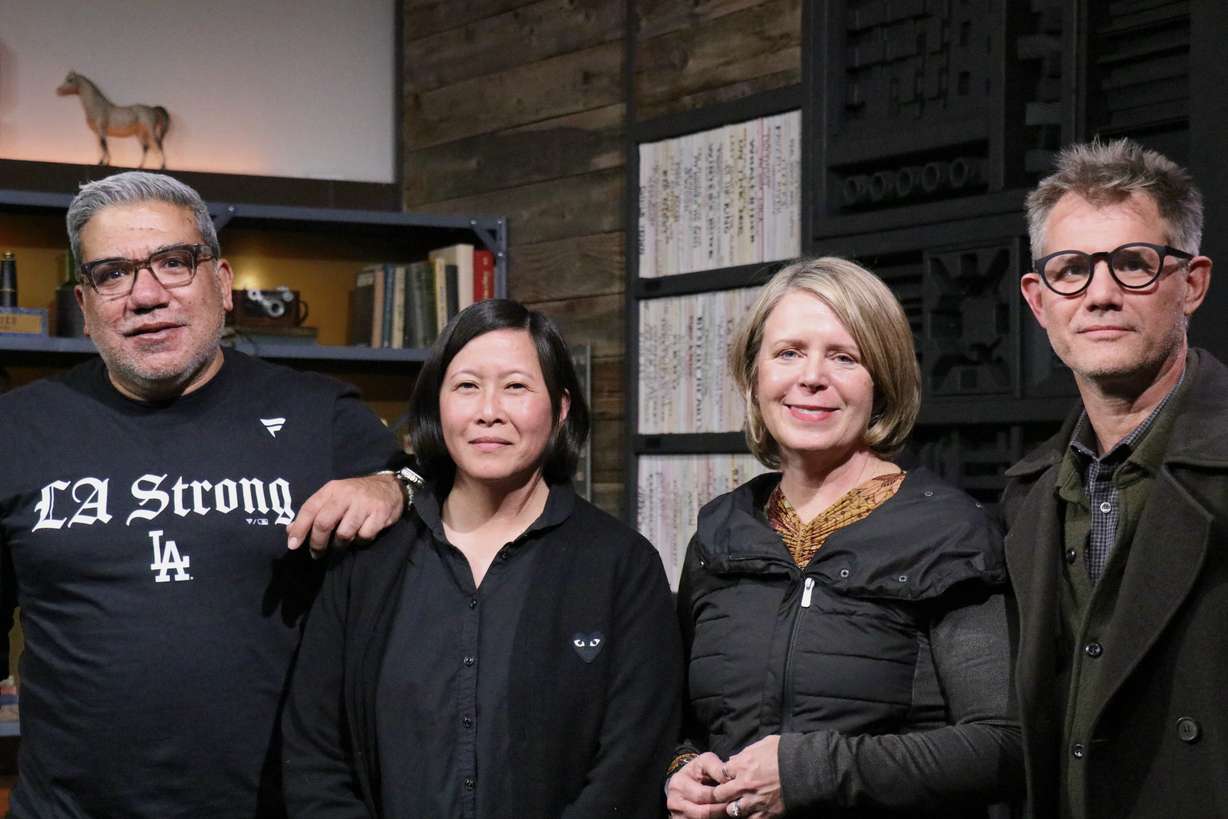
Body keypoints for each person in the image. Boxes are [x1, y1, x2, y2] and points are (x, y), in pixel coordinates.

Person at [0, 171, 412, 818]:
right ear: (84, 303)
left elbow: (439, 501)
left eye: (173, 262)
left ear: (221, 283)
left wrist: (395, 485)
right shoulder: (17, 430)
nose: (145, 295)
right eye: (112, 274)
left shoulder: (319, 415)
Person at [281, 298, 683, 818]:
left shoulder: (621, 566)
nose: (488, 411)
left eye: (516, 387)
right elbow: (314, 752)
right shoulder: (369, 559)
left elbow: (631, 765)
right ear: (437, 405)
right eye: (466, 386)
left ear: (560, 409)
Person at [665, 258, 1022, 819]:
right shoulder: (720, 529)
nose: (811, 376)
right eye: (788, 353)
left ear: (881, 382)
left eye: (844, 356)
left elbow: (1002, 746)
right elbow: (677, 720)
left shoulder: (951, 533)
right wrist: (679, 769)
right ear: (753, 373)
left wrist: (807, 774)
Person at [1006, 138, 1222, 818]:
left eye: (1133, 263)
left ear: (1191, 283)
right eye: (1071, 270)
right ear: (1040, 302)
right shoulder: (1029, 492)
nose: (1100, 294)